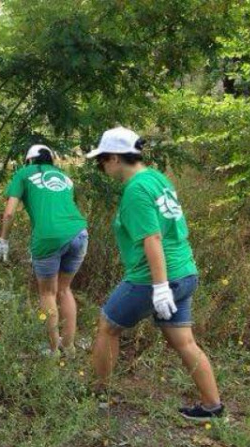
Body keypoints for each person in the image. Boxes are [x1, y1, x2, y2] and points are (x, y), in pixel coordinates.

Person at [86, 126, 223, 421]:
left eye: (101, 160)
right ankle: (212, 406)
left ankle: (97, 395)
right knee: (183, 341)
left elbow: (153, 238)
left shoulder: (136, 189)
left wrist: (160, 287)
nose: (102, 167)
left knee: (108, 325)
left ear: (114, 158)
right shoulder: (157, 179)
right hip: (185, 272)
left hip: (154, 277)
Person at [0, 144, 89, 356]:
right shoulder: (65, 177)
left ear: (29, 160)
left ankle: (54, 350)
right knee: (65, 290)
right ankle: (70, 347)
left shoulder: (23, 174)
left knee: (48, 293)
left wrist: (3, 240)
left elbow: (9, 213)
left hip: (48, 237)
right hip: (79, 232)